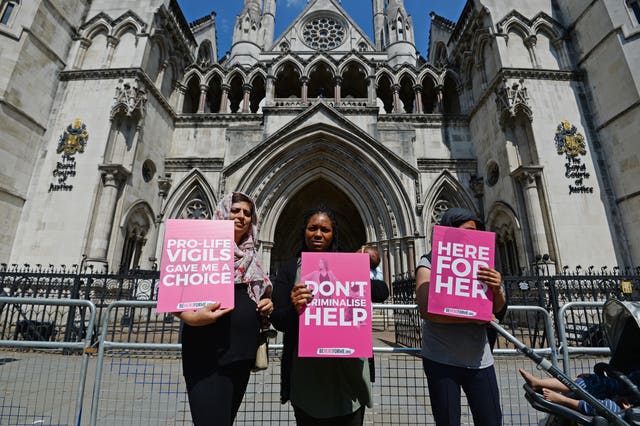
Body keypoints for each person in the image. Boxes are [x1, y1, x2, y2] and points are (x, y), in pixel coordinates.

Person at [270, 206, 389, 425]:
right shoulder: (288, 269)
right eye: (312, 228)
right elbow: (278, 320)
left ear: (333, 234)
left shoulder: (349, 265)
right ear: (303, 231)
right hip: (306, 375)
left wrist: (359, 273)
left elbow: (382, 291)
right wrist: (294, 308)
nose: (317, 234)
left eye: (325, 229)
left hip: (348, 373)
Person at [173, 192, 273, 426]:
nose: (241, 217)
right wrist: (191, 317)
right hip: (206, 352)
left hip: (241, 354)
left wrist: (268, 304)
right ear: (222, 212)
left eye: (247, 213)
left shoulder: (252, 257)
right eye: (235, 210)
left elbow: (261, 295)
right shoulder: (198, 248)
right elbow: (173, 289)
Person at [415, 207, 507, 426]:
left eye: (476, 231)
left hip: (479, 358)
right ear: (449, 230)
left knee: (491, 420)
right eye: (467, 230)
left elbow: (499, 310)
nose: (473, 235)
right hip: (441, 358)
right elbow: (427, 310)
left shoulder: (483, 263)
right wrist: (473, 318)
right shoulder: (428, 263)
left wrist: (497, 289)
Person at [519, 368, 637, 415]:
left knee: (606, 407)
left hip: (633, 410)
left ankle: (563, 400)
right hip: (628, 391)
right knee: (589, 381)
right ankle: (538, 383)